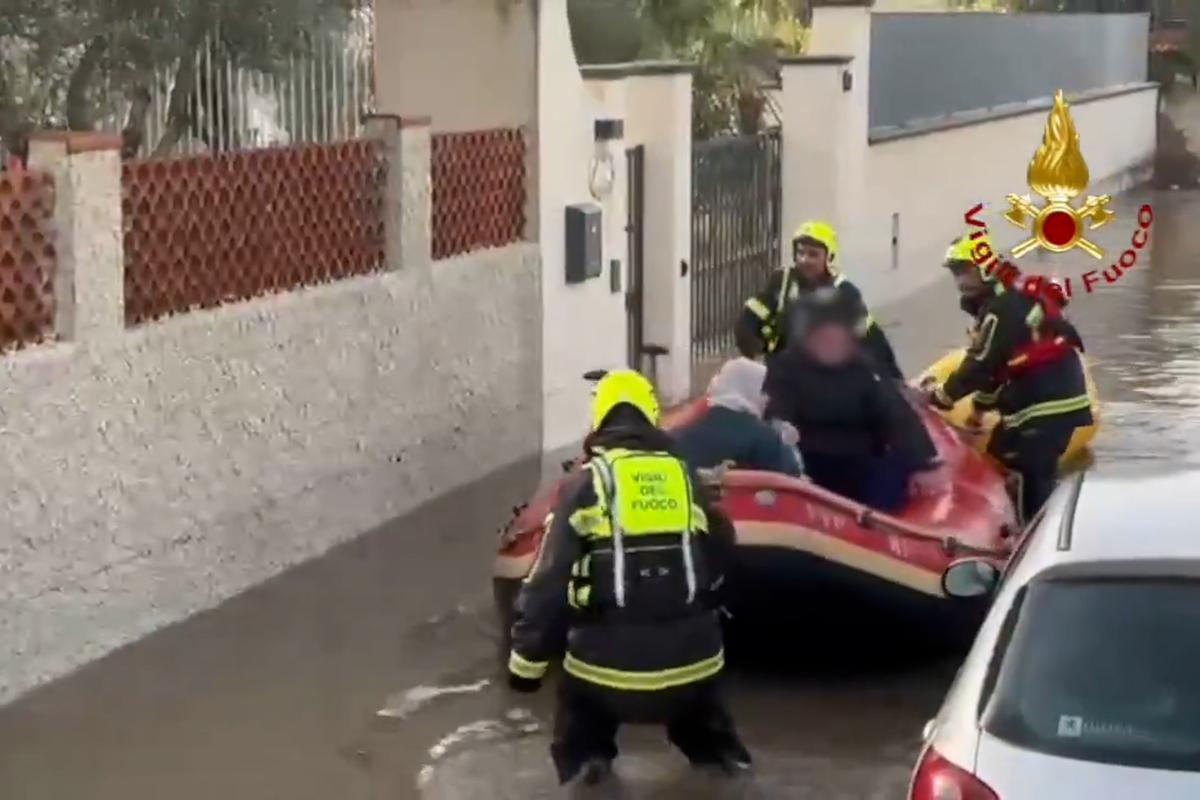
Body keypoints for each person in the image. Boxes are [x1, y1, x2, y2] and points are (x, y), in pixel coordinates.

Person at [506, 369, 752, 786]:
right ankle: (727, 771)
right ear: (652, 416)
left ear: (599, 420)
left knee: (580, 738)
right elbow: (724, 548)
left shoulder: (586, 486)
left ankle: (590, 772)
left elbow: (548, 583)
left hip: (605, 675)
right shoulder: (685, 477)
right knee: (712, 744)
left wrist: (524, 667)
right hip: (694, 667)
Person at [923, 233, 1092, 525]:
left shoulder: (1002, 310)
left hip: (1046, 404)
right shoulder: (1009, 303)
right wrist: (978, 410)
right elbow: (999, 368)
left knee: (1032, 475)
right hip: (1052, 397)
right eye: (956, 273)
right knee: (1001, 451)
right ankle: (1032, 519)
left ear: (986, 269)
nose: (961, 281)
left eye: (966, 271)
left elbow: (980, 364)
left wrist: (940, 397)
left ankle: (1034, 537)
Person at [763, 288, 946, 511]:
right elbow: (777, 411)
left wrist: (921, 460)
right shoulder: (785, 369)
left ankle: (881, 525)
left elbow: (894, 413)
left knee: (892, 469)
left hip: (859, 460)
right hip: (809, 460)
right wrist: (783, 431)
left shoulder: (863, 369)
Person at [735, 219, 903, 379]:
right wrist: (755, 359)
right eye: (800, 253)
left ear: (829, 258)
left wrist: (894, 380)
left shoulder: (844, 292)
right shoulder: (782, 282)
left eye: (813, 255)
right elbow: (748, 321)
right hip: (780, 375)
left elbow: (872, 340)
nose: (804, 260)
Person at [672, 357, 803, 477]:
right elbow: (792, 476)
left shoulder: (681, 434)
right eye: (764, 391)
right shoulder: (768, 440)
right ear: (753, 390)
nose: (766, 398)